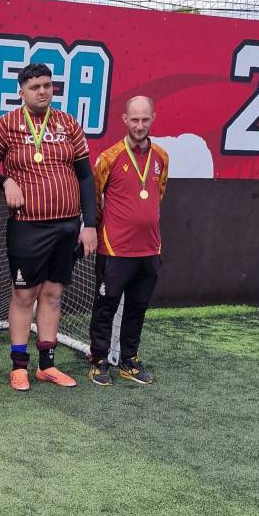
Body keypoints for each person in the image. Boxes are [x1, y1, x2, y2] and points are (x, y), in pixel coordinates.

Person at [0, 62, 98, 391]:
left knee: (52, 294)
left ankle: (47, 365)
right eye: (35, 87)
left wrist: (89, 224)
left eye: (47, 85)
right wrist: (5, 180)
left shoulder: (68, 123)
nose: (42, 91)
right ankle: (19, 366)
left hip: (67, 227)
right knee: (24, 295)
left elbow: (85, 176)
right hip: (27, 227)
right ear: (21, 92)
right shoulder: (6, 125)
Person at [88, 96, 169, 386]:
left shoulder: (161, 156)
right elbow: (95, 198)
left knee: (138, 307)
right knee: (105, 306)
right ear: (124, 120)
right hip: (115, 249)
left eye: (145, 119)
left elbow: (158, 195)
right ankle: (98, 360)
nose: (139, 125)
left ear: (153, 118)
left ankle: (129, 360)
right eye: (134, 119)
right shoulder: (109, 157)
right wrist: (102, 231)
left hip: (149, 249)